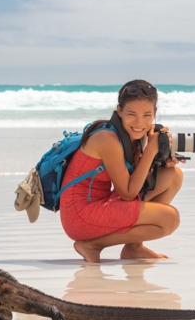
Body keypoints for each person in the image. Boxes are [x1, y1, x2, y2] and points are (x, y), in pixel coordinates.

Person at [60, 80, 184, 262]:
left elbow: (137, 180)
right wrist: (151, 150)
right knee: (170, 219)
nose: (139, 122)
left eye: (147, 115)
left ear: (155, 113)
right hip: (81, 216)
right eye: (131, 114)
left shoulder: (133, 135)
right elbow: (127, 193)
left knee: (172, 176)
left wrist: (160, 158)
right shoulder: (107, 138)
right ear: (119, 111)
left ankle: (134, 247)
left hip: (102, 204)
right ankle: (91, 245)